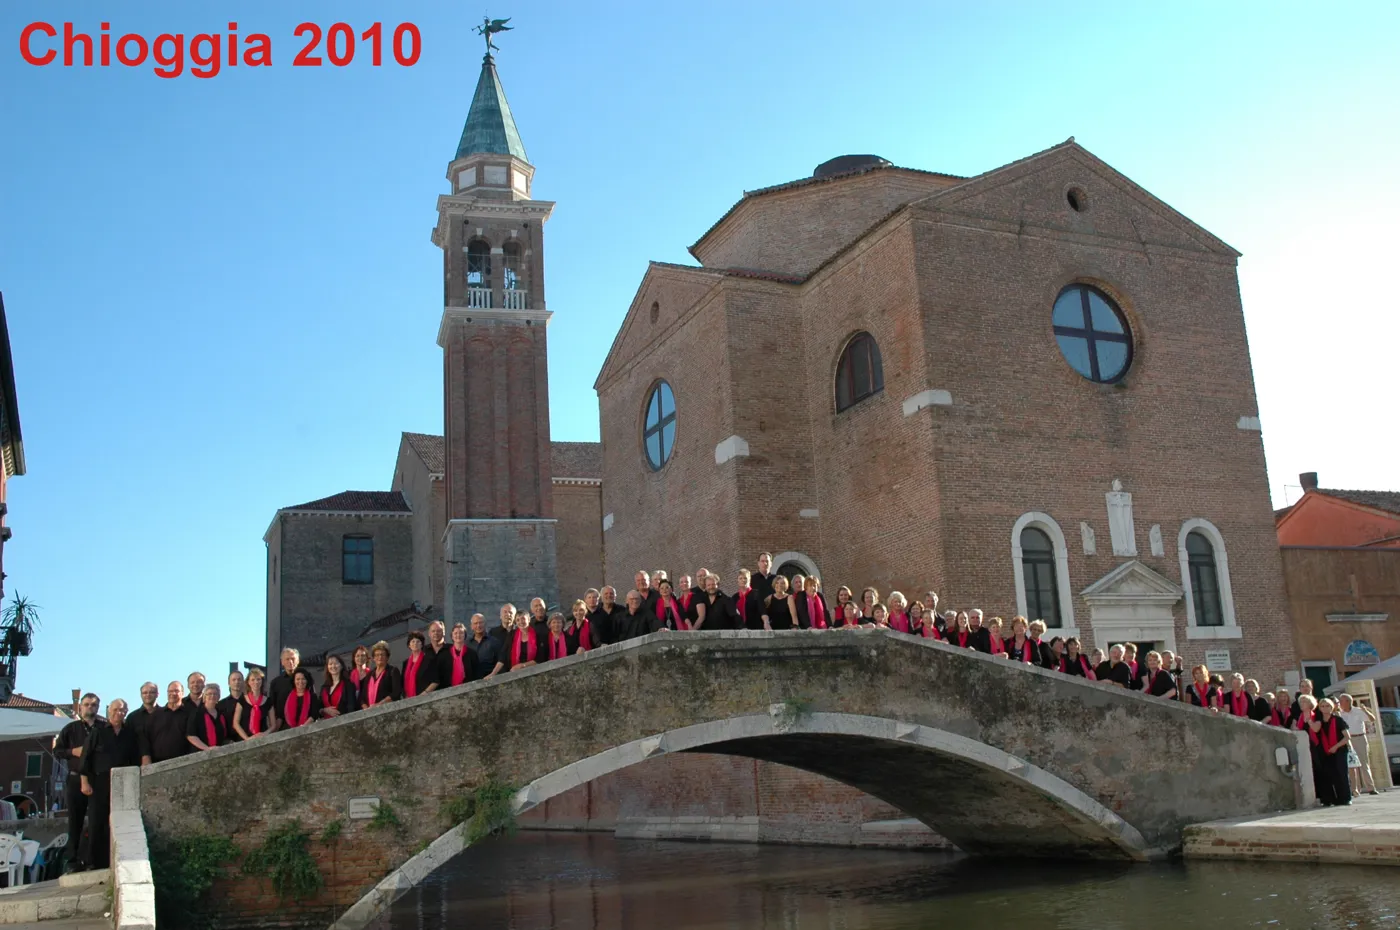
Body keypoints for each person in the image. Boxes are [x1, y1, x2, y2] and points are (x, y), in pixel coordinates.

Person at [79, 698, 140, 871]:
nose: (118, 713)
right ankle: (93, 862)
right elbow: (85, 757)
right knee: (96, 822)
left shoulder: (130, 734)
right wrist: (84, 782)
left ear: (125, 712)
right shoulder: (98, 731)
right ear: (109, 712)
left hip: (122, 783)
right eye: (115, 710)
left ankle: (112, 859)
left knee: (120, 821)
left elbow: (134, 758)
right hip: (99, 782)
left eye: (121, 710)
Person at [55, 692, 100, 872]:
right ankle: (72, 861)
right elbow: (57, 751)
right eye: (87, 704)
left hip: (97, 780)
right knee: (75, 821)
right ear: (80, 707)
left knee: (97, 821)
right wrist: (73, 751)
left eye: (93, 705)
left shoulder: (103, 728)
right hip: (75, 779)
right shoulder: (70, 729)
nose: (90, 707)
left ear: (97, 707)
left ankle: (93, 860)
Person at [1336, 693, 1380, 797]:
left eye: (1341, 701)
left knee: (1364, 763)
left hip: (1360, 738)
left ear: (1348, 701)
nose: (1340, 703)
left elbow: (1372, 719)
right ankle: (1355, 789)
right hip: (1348, 739)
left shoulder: (1358, 711)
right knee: (1352, 764)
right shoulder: (1339, 714)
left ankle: (1371, 787)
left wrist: (1365, 710)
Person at [1310, 698, 1351, 806]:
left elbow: (1347, 737)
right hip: (1325, 751)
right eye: (1322, 706)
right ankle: (1332, 799)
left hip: (1339, 750)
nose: (1325, 708)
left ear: (1331, 707)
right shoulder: (1319, 722)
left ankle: (1345, 798)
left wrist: (1335, 747)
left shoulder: (1337, 720)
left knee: (1341, 774)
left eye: (1327, 706)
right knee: (1329, 775)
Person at [145, 681, 192, 763]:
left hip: (184, 761)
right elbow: (146, 737)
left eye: (176, 691)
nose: (173, 693)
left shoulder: (189, 713)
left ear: (182, 693)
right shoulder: (156, 714)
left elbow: (192, 736)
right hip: (158, 762)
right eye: (170, 691)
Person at [233, 668, 274, 739]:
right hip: (245, 740)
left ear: (262, 681)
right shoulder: (242, 700)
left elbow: (273, 725)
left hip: (263, 739)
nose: (256, 682)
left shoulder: (268, 701)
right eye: (253, 680)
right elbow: (236, 723)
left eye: (258, 679)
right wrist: (247, 739)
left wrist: (265, 734)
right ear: (248, 682)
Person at [360, 641, 403, 707]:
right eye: (377, 655)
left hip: (388, 709)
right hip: (370, 711)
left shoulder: (393, 671)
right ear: (373, 658)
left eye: (382, 654)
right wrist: (366, 708)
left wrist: (379, 704)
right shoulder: (369, 675)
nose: (380, 657)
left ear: (387, 657)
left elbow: (396, 693)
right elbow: (362, 697)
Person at [126, 681, 161, 761]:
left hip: (164, 761)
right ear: (141, 695)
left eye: (151, 692)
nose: (148, 695)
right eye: (145, 693)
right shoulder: (132, 717)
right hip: (139, 762)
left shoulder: (165, 714)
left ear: (157, 694)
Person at [186, 684, 227, 751]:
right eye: (209, 694)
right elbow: (191, 735)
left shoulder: (221, 715)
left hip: (218, 752)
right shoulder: (196, 714)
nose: (212, 696)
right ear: (204, 697)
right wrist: (207, 748)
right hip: (200, 753)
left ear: (218, 697)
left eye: (215, 694)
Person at [402, 631, 438, 699]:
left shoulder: (429, 660)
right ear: (409, 645)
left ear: (422, 645)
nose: (415, 643)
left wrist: (424, 694)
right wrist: (406, 697)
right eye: (413, 641)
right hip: (408, 700)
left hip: (425, 698)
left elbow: (435, 681)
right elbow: (402, 683)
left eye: (418, 641)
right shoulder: (405, 663)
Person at [468, 613, 504, 680]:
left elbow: (501, 660)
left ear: (485, 624)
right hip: (472, 681)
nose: (478, 625)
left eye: (481, 622)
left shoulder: (494, 642)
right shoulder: (467, 644)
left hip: (490, 680)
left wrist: (492, 674)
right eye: (475, 623)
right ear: (471, 626)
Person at [268, 648, 300, 716]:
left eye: (293, 659)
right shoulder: (275, 683)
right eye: (287, 659)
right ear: (282, 662)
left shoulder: (306, 679)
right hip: (282, 721)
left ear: (298, 661)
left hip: (304, 721)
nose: (290, 662)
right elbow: (271, 706)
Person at [218, 670, 246, 743]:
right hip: (229, 743)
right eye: (234, 680)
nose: (237, 682)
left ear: (243, 682)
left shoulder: (250, 702)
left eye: (239, 679)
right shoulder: (220, 704)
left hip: (249, 740)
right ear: (229, 683)